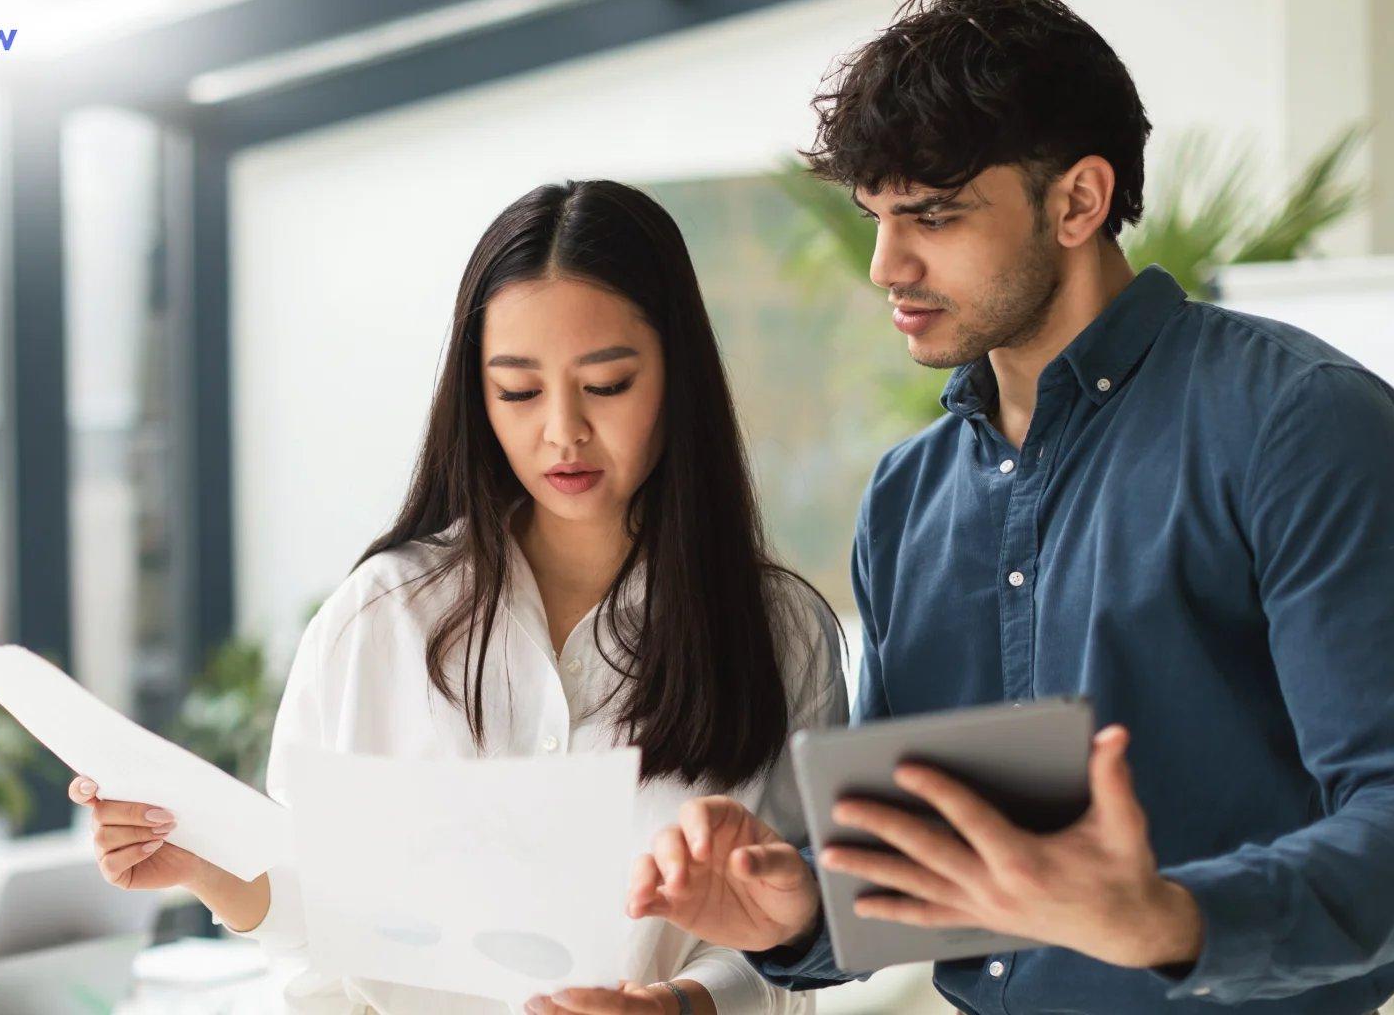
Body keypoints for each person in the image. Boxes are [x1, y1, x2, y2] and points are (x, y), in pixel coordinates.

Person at [630, 0, 1394, 1014]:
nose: (887, 265)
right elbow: (923, 871)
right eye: (879, 219)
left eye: (933, 216)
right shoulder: (908, 496)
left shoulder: (1301, 426)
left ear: (1077, 200)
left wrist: (1172, 919)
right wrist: (799, 914)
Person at [69, 179, 844, 1014]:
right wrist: (200, 865)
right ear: (476, 395)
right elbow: (319, 923)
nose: (562, 431)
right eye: (517, 391)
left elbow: (801, 943)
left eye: (609, 384)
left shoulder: (780, 632)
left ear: (677, 377)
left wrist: (682, 1007)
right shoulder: (384, 614)